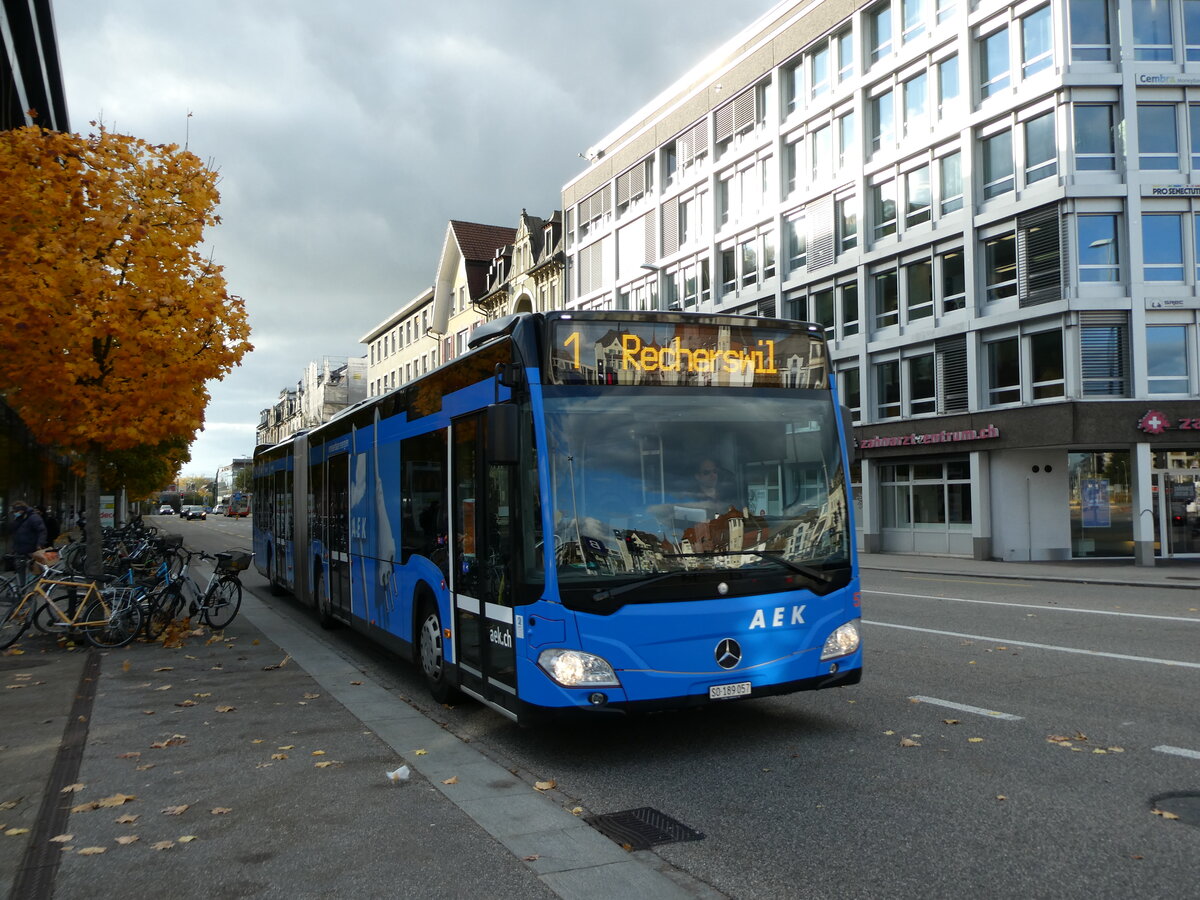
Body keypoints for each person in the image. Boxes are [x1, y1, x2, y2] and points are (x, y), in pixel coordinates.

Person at [9, 500, 47, 583]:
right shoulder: (19, 518)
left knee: (35, 569)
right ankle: (22, 587)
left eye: (16, 511)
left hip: (31, 549)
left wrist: (39, 544)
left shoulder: (33, 517)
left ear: (22, 510)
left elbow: (42, 531)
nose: (15, 513)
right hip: (20, 549)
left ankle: (37, 585)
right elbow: (16, 533)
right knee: (20, 568)